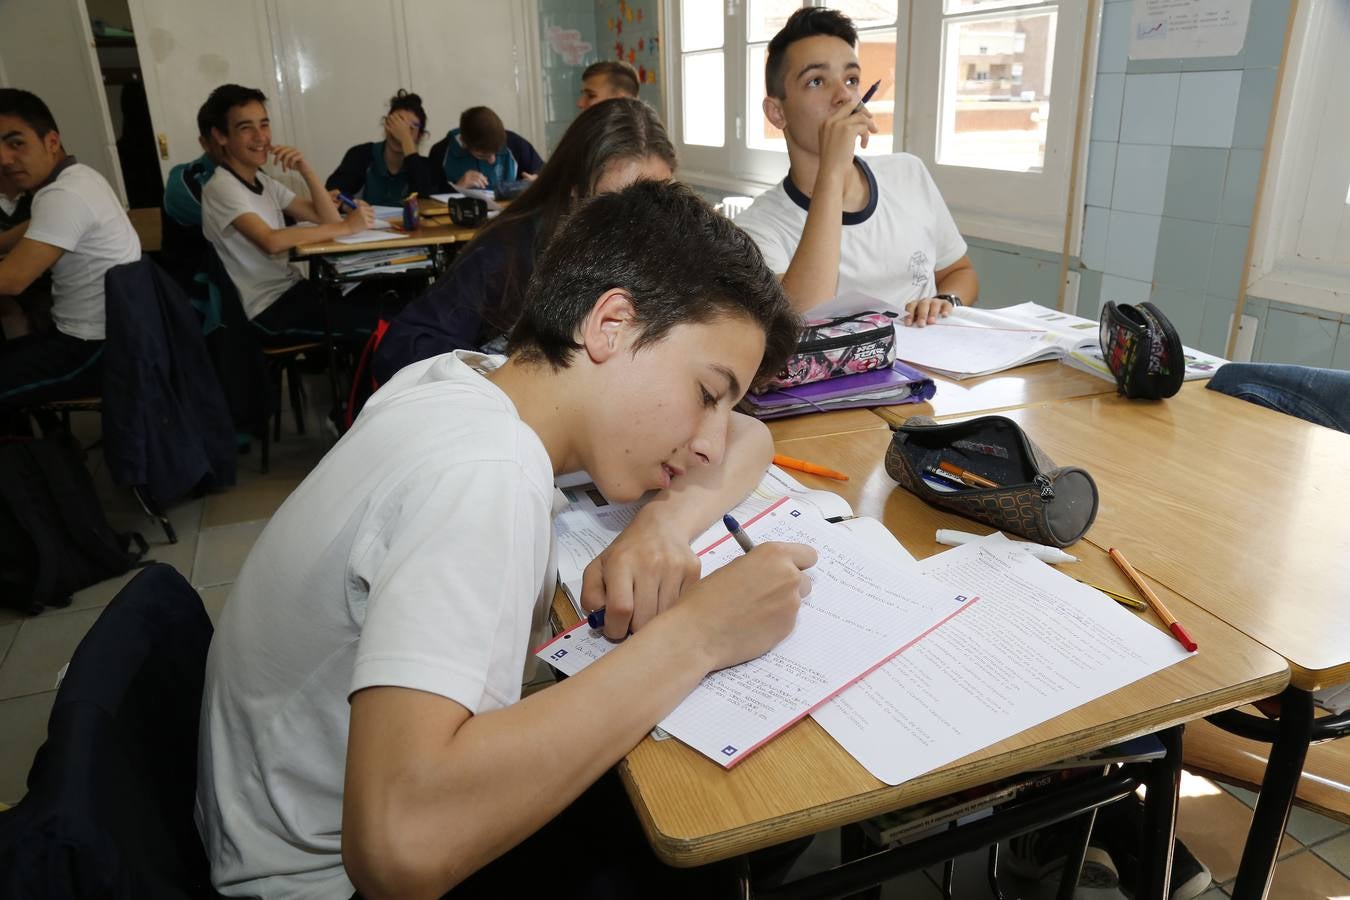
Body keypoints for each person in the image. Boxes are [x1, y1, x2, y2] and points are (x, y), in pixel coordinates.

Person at [195, 179, 810, 899]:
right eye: (707, 393)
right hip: (323, 883)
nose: (708, 442)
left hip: (262, 823)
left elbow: (748, 435)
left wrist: (661, 522)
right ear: (609, 326)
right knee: (732, 821)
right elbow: (399, 850)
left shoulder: (465, 379)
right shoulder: (485, 473)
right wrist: (700, 636)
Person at [373, 97, 675, 383]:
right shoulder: (507, 252)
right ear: (574, 189)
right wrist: (507, 381)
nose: (639, 226)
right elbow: (400, 349)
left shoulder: (665, 247)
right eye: (614, 204)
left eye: (657, 201)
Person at [734, 7, 979, 327]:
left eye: (851, 79)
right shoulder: (756, 229)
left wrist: (945, 301)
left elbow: (960, 272)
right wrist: (832, 171)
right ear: (777, 113)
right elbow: (796, 322)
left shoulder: (908, 173)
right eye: (816, 81)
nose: (843, 96)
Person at [198, 83, 383, 344]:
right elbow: (271, 241)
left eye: (264, 124)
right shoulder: (221, 188)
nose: (260, 136)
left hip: (295, 291)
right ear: (220, 136)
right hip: (268, 310)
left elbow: (327, 218)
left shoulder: (264, 181)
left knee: (383, 302)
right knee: (379, 326)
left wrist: (305, 169)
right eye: (245, 128)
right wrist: (347, 227)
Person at [0, 88, 140, 414]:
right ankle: (45, 452)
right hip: (105, 335)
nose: (4, 158)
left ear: (51, 141)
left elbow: (12, 281)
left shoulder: (64, 194)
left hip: (94, 349)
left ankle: (40, 460)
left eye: (16, 142)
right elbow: (32, 229)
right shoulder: (79, 178)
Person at [325, 89, 438, 207]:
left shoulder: (424, 167)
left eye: (410, 128)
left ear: (420, 136)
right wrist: (348, 205)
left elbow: (426, 200)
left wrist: (406, 140)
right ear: (386, 124)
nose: (398, 133)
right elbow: (332, 193)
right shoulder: (361, 154)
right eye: (395, 123)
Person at [159, 98, 220, 291]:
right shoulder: (184, 180)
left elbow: (287, 217)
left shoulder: (257, 175)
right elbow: (246, 225)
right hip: (202, 297)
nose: (257, 138)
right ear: (205, 143)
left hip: (247, 286)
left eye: (263, 125)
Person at [427, 106, 544, 192]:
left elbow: (549, 175)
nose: (492, 160)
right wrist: (459, 187)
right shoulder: (441, 152)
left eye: (497, 151)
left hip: (508, 217)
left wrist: (538, 181)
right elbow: (428, 199)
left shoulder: (515, 144)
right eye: (483, 155)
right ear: (464, 142)